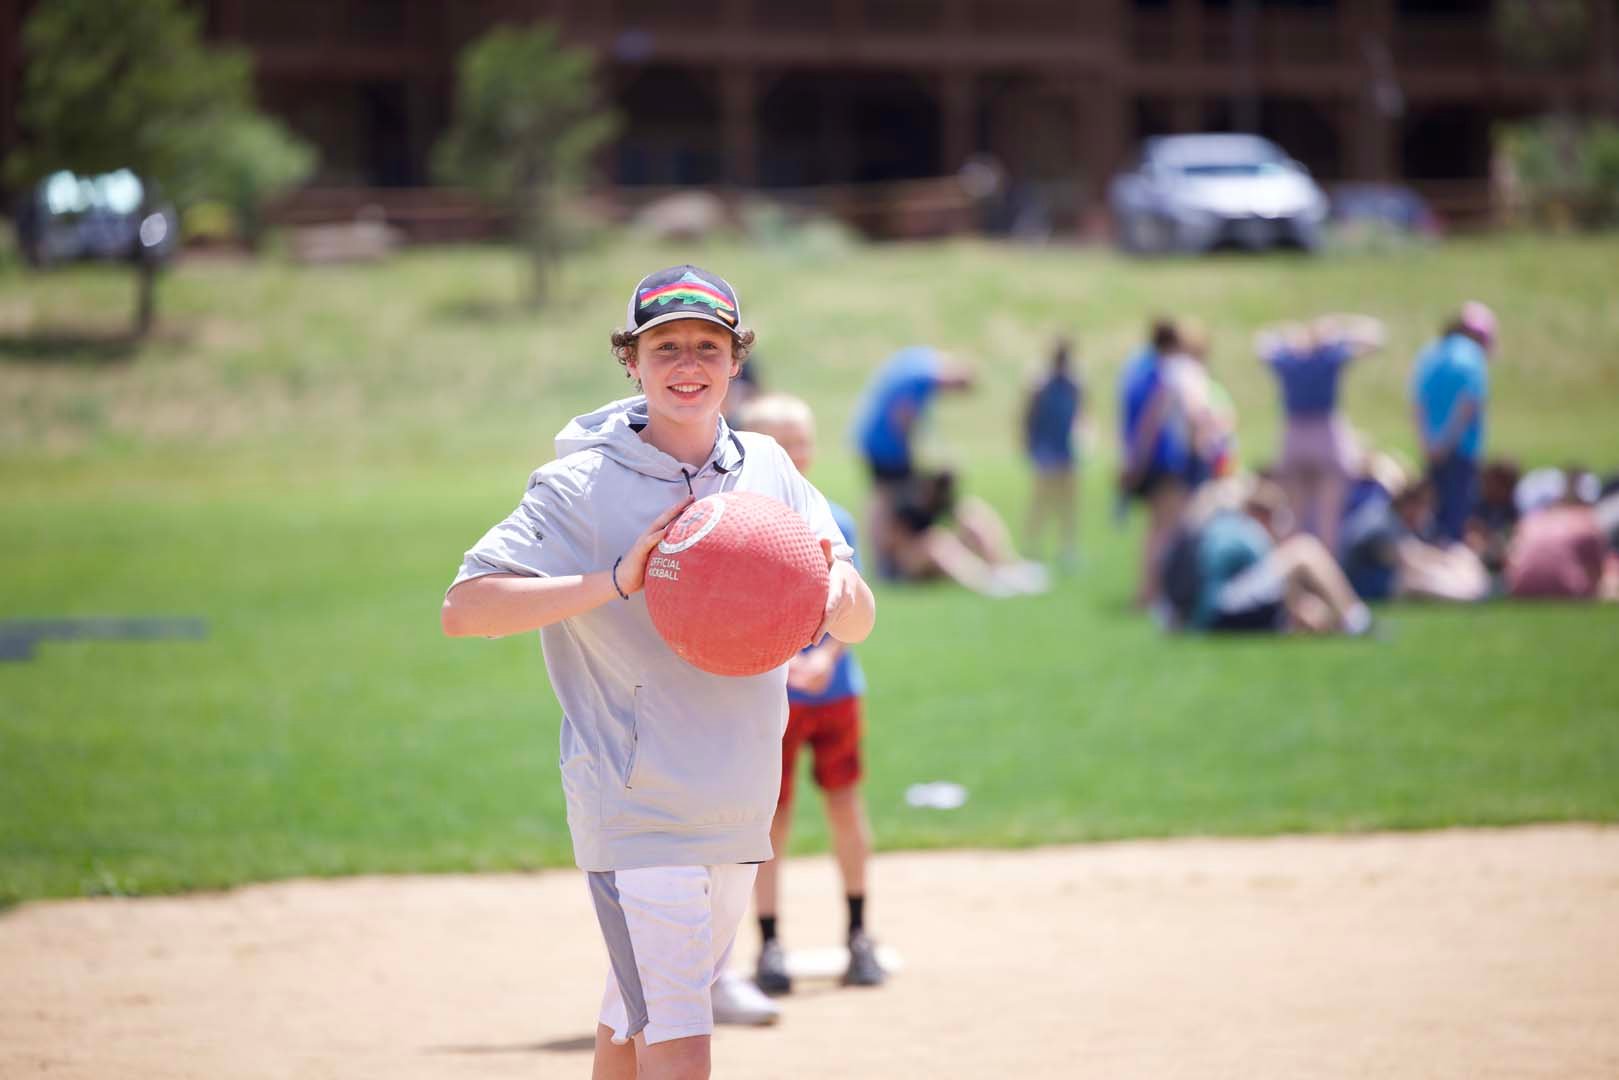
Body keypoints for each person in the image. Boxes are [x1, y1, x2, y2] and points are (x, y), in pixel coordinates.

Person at [441, 264, 876, 1080]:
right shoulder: (579, 485)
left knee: (631, 1021)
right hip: (636, 802)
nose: (688, 363)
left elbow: (857, 615)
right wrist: (614, 581)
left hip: (739, 795)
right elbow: (464, 609)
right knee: (683, 1042)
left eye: (708, 345)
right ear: (630, 360)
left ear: (736, 361)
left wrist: (827, 589)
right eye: (665, 345)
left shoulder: (768, 470)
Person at [732, 392, 885, 1002]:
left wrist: (824, 658)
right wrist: (785, 664)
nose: (794, 454)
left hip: (833, 693)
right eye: (780, 443)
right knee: (773, 819)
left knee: (845, 805)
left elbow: (854, 603)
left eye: (802, 441)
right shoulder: (737, 524)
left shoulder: (831, 516)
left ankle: (858, 932)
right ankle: (769, 942)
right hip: (772, 698)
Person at [1159, 475, 1374, 636]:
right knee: (1303, 551)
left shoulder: (1213, 526)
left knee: (1298, 591)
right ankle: (1357, 619)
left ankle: (1335, 620)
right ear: (1262, 514)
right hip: (1215, 613)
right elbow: (1275, 581)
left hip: (1195, 615)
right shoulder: (1245, 530)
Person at [1256, 313, 1386, 556]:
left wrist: (1288, 333)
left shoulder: (1288, 359)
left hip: (1294, 437)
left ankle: (1292, 574)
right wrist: (1341, 331)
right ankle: (1326, 572)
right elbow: (1374, 337)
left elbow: (1262, 344)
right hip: (1326, 437)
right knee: (1328, 517)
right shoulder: (1329, 357)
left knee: (1294, 517)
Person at [850, 346, 975, 576]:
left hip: (877, 440)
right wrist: (912, 453)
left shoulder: (922, 361)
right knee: (886, 499)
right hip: (886, 446)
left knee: (881, 498)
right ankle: (883, 562)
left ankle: (880, 562)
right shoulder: (923, 379)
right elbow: (903, 415)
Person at [1337, 454, 1491, 603]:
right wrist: (1449, 563)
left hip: (1382, 579)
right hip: (1361, 585)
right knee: (1416, 581)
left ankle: (1470, 592)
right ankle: (1468, 596)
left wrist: (1454, 558)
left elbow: (1419, 551)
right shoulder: (1379, 523)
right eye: (1425, 507)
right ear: (1410, 504)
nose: (1427, 514)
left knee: (1446, 565)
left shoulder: (1393, 519)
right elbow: (1406, 559)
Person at [1118, 319, 1191, 606]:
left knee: (1153, 529)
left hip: (1141, 458)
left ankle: (1146, 590)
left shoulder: (1135, 369)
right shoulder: (1164, 374)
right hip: (1161, 459)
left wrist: (1132, 460)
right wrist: (1141, 459)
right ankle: (1154, 591)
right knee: (1166, 528)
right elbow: (1152, 422)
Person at [1411, 301, 1496, 543]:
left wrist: (1428, 443)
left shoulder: (1430, 353)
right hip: (1460, 449)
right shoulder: (1472, 356)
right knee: (1455, 520)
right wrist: (1447, 442)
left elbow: (1418, 402)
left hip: (1430, 448)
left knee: (1430, 516)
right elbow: (1469, 404)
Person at [1022, 337, 1084, 567]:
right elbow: (1029, 415)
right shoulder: (1041, 383)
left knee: (1067, 503)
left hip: (1066, 448)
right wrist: (1029, 443)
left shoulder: (1074, 383)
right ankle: (1033, 546)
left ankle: (1067, 548)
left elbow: (1081, 412)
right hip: (1046, 449)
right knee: (1041, 501)